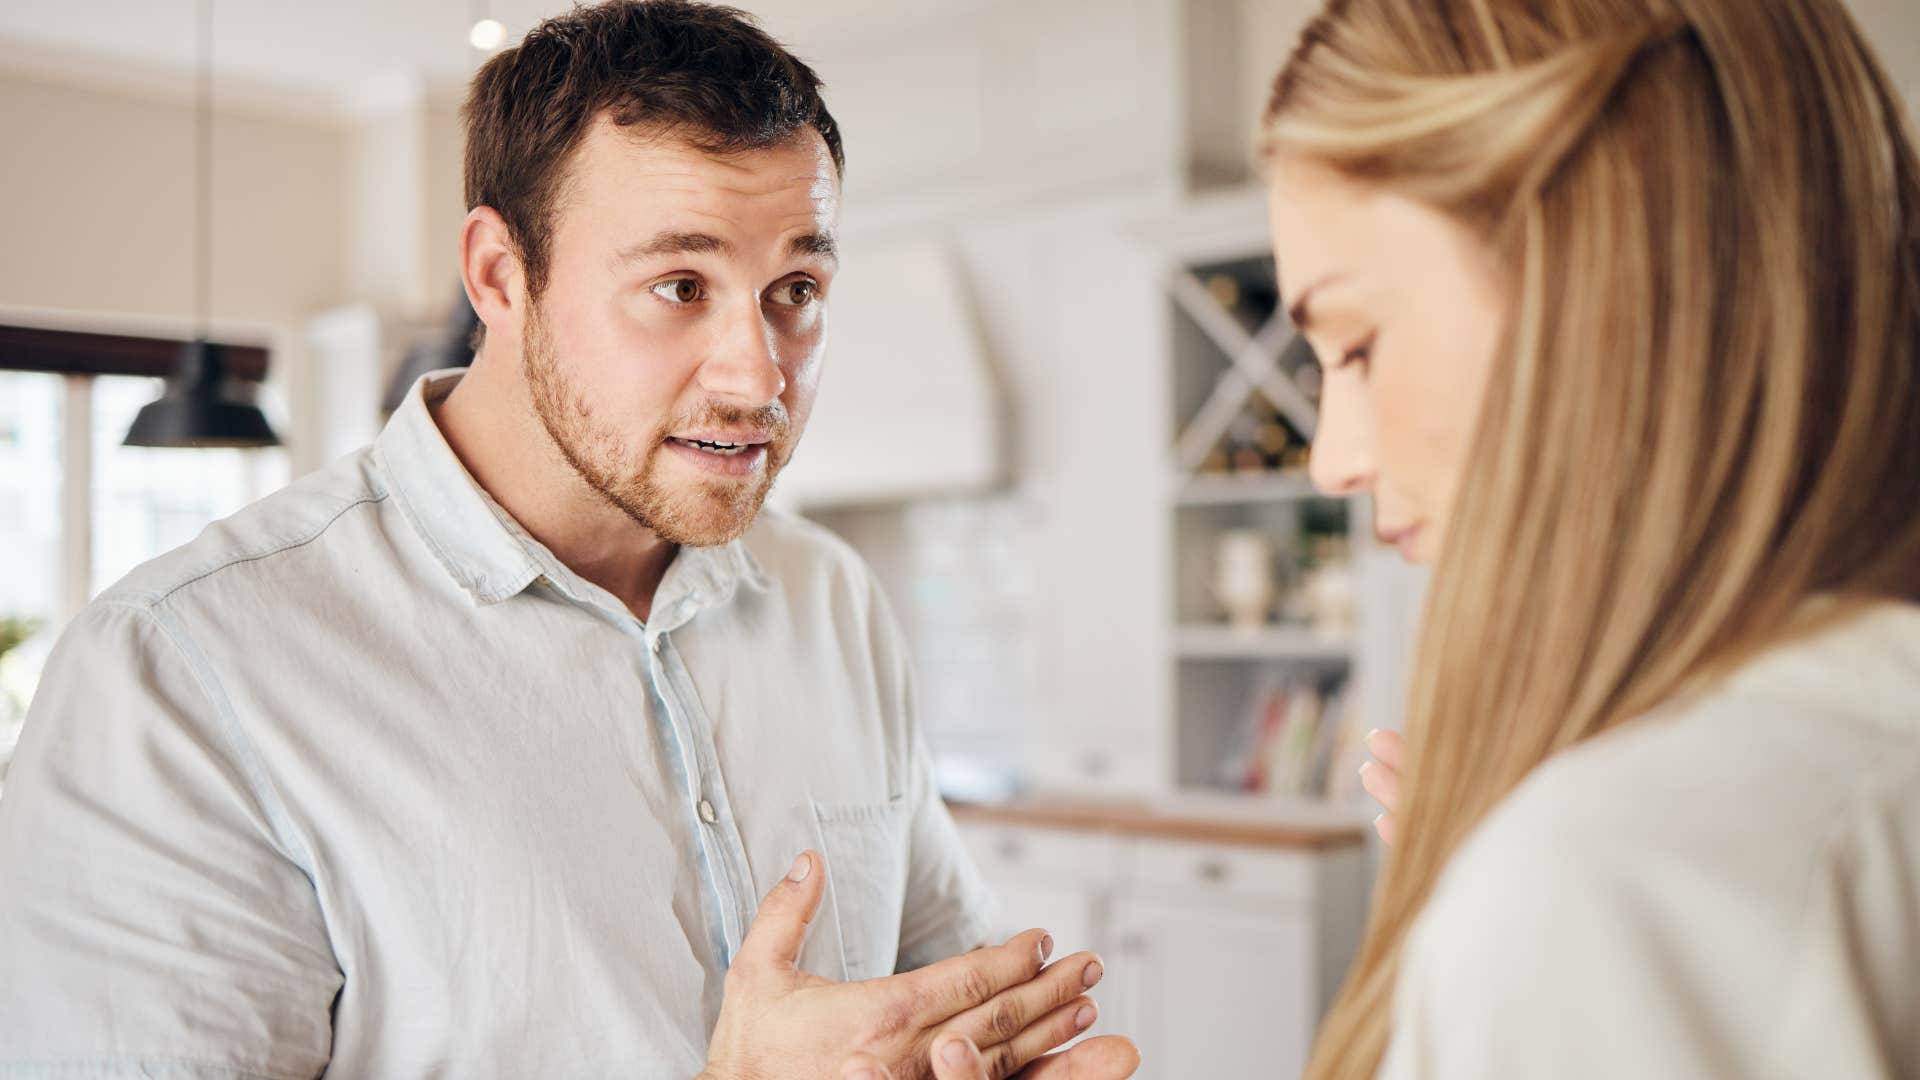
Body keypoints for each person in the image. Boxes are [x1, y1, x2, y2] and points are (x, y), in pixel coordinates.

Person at [0, 3, 1141, 1078]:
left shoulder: (831, 597)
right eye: (680, 285)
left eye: (796, 287)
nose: (759, 376)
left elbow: (938, 991)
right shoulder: (177, 678)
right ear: (501, 276)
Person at [856, 0, 1920, 1077]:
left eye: (1357, 346)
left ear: (1602, 283)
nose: (1333, 461)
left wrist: (1525, 907)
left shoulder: (1608, 874)